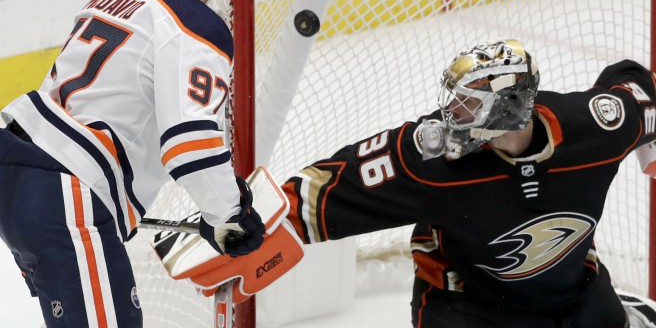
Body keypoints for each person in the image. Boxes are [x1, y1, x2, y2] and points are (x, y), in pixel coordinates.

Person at [0, 0, 265, 328]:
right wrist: (228, 215)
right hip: (65, 197)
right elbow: (189, 143)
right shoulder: (196, 25)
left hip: (10, 179)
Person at [280, 39, 656, 327]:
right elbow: (344, 183)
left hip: (573, 296)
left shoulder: (596, 130)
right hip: (467, 306)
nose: (452, 114)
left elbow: (636, 84)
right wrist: (271, 216)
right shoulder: (434, 156)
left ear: (509, 106)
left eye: (468, 105)